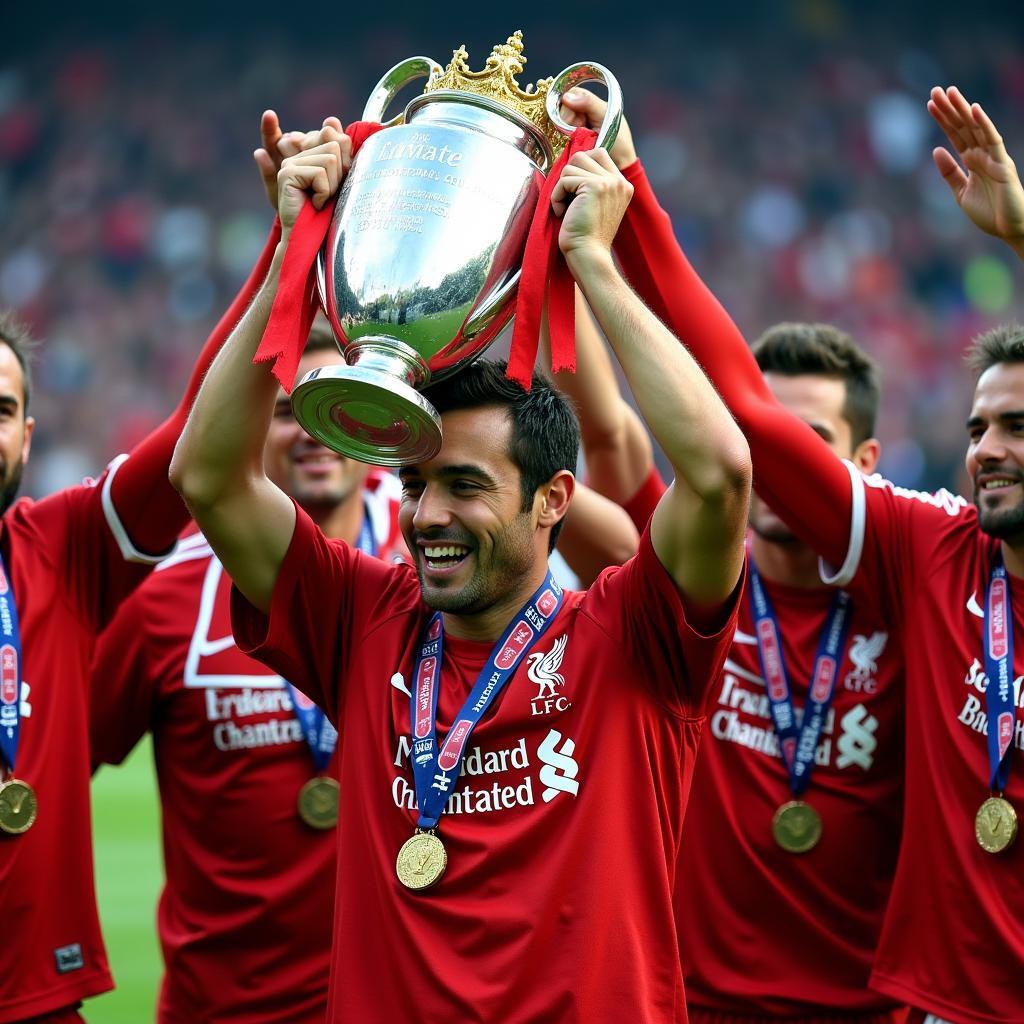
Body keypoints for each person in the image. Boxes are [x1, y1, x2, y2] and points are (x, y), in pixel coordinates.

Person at [169, 124, 751, 1021]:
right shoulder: (365, 620)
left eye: (467, 487)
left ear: (554, 499)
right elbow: (206, 476)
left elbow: (719, 473)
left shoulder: (633, 635)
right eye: (416, 483)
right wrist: (291, 254)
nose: (429, 515)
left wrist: (592, 261)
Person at [565, 84, 1024, 1024]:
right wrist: (631, 184)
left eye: (1018, 426)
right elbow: (741, 412)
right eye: (977, 428)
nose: (986, 451)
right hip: (943, 1006)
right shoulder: (932, 554)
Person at [90, 328, 636, 1024]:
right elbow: (68, 755)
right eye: (293, 412)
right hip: (231, 1005)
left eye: (349, 413)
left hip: (393, 991)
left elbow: (620, 548)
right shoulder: (201, 594)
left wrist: (488, 449)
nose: (320, 435)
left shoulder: (430, 571)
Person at [0, 113, 297, 1022]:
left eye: (1, 407)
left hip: (36, 999)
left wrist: (288, 251)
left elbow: (188, 444)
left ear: (26, 437)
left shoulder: (60, 547)